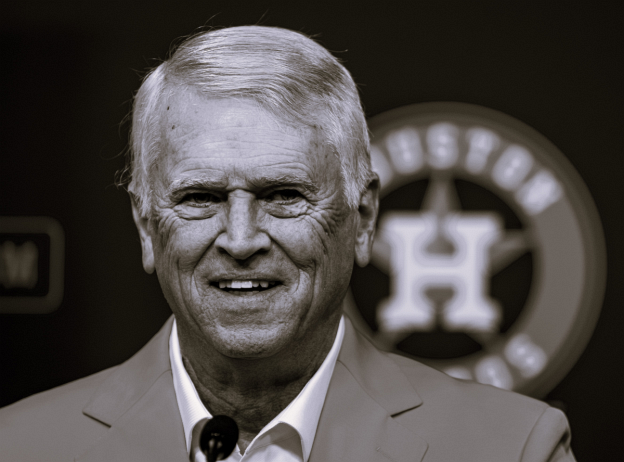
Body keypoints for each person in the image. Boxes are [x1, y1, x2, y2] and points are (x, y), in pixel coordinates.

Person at [0, 25, 576, 462]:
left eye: (283, 194)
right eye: (200, 197)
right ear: (147, 226)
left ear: (364, 216)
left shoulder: (514, 447)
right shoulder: (20, 446)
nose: (242, 239)